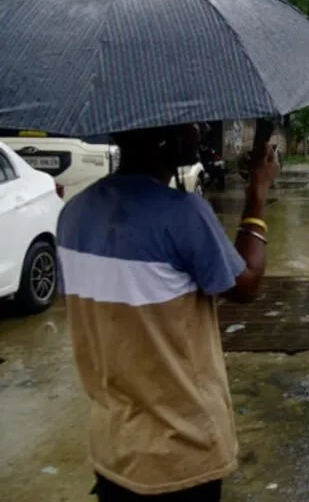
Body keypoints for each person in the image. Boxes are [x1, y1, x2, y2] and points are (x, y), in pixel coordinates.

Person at [56, 123, 280, 502]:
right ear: (162, 137)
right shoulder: (183, 213)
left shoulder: (74, 214)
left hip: (113, 447)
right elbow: (247, 283)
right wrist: (257, 193)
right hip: (181, 451)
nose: (201, 130)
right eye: (190, 124)